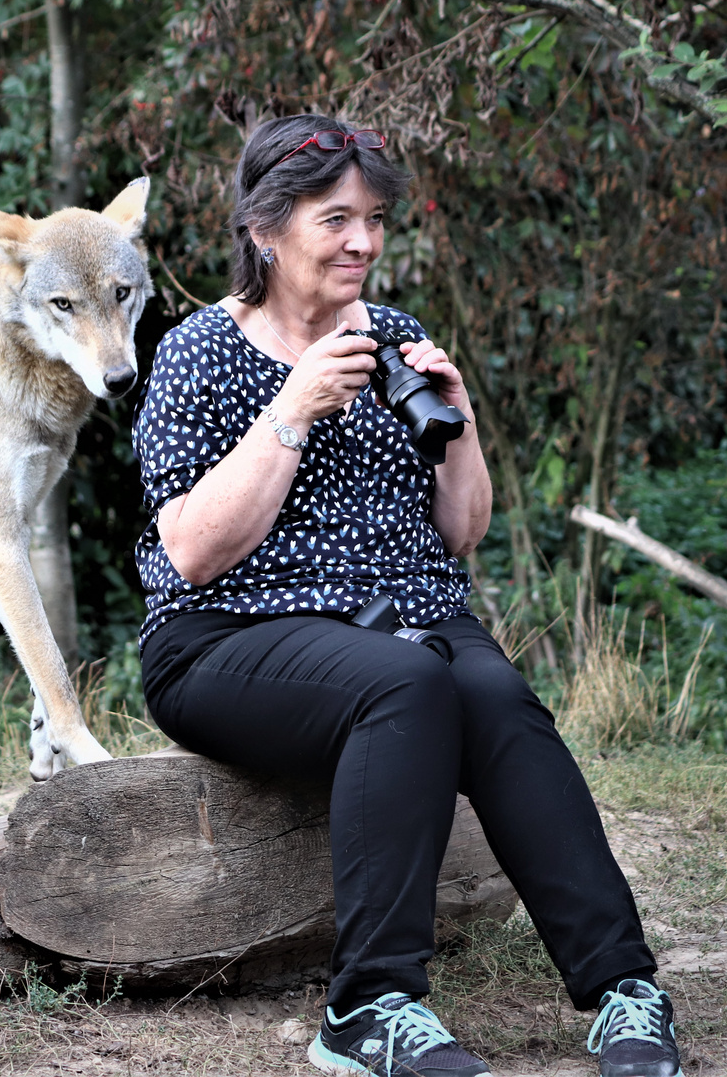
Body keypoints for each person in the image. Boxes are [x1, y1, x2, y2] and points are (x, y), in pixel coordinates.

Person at [131, 114, 683, 1077]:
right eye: (335, 218)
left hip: (410, 618)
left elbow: (463, 531)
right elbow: (192, 553)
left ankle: (623, 990)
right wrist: (292, 408)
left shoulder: (395, 336)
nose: (364, 242)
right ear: (265, 229)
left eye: (375, 219)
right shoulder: (197, 353)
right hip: (228, 639)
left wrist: (459, 421)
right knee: (406, 687)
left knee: (496, 695)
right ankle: (368, 1008)